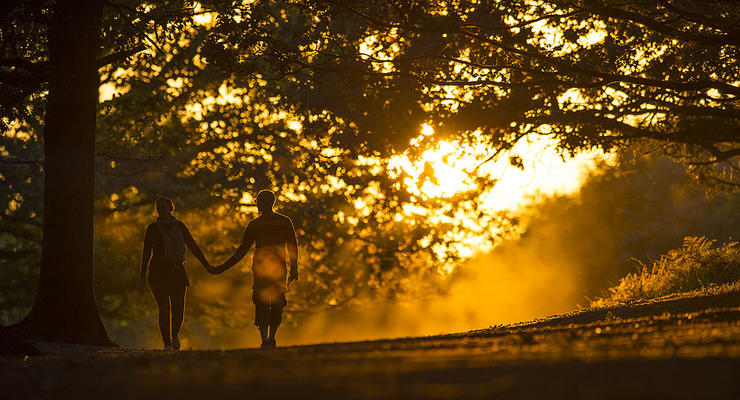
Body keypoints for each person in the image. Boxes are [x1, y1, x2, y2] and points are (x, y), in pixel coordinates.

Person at [211, 190, 299, 349]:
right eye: (258, 200)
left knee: (277, 303)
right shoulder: (254, 225)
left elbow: (292, 245)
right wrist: (223, 267)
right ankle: (265, 340)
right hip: (259, 270)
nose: (258, 203)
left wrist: (294, 268)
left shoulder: (284, 222)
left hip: (279, 269)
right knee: (261, 302)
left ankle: (271, 338)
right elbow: (242, 249)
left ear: (269, 202)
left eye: (260, 201)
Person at [140, 197, 211, 351]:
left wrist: (207, 265)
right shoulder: (152, 228)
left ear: (171, 208)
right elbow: (146, 251)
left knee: (178, 307)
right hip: (158, 271)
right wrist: (142, 274)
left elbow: (193, 246)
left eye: (164, 207)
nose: (160, 209)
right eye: (158, 207)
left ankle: (175, 335)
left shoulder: (180, 226)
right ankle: (166, 343)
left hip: (177, 270)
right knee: (164, 308)